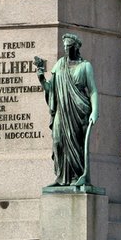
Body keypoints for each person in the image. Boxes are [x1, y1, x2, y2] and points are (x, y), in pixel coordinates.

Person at [35, 33, 99, 187]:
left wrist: (95, 111)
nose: (66, 49)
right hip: (61, 110)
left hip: (79, 110)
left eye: (68, 46)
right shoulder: (59, 64)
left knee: (76, 144)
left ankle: (77, 176)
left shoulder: (85, 66)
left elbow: (92, 91)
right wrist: (42, 78)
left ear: (76, 47)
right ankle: (61, 177)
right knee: (58, 141)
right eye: (64, 46)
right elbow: (51, 89)